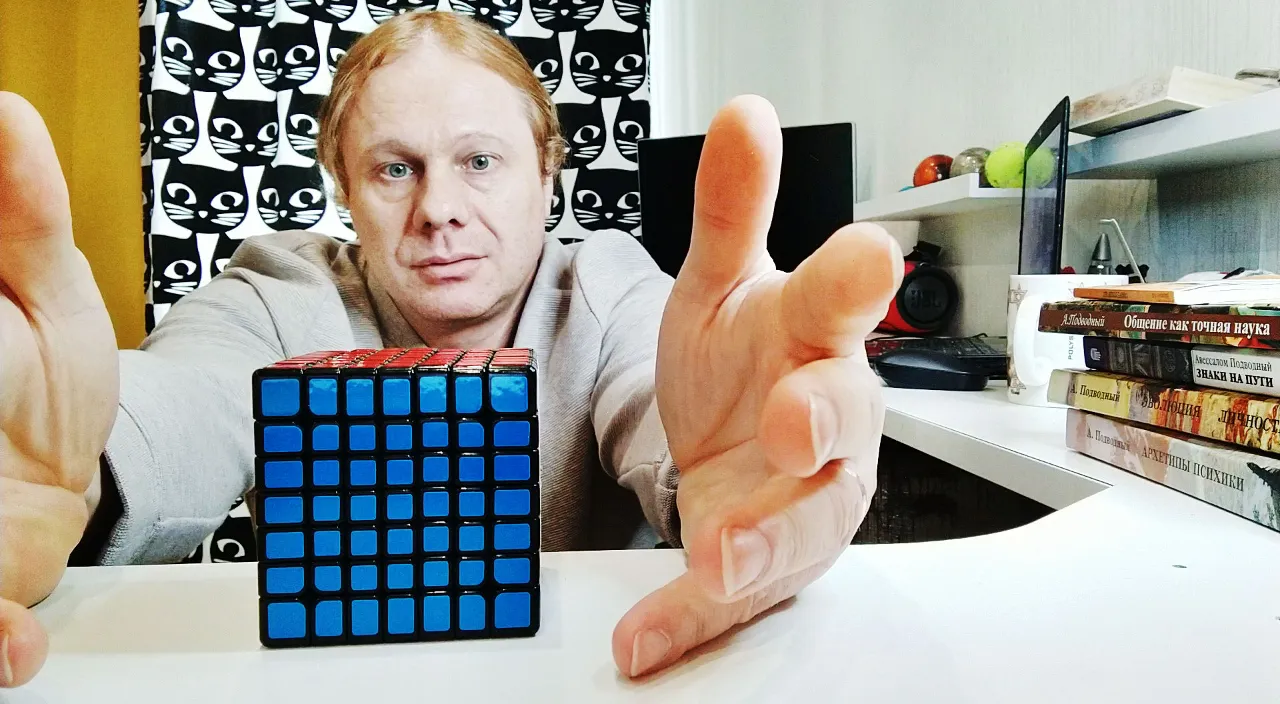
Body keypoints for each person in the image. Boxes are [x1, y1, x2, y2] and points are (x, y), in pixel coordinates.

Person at [0, 11, 899, 686]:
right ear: (346, 188)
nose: (438, 210)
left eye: (479, 161)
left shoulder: (610, 284)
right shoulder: (284, 291)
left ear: (546, 174)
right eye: (395, 168)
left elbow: (660, 395)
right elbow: (190, 393)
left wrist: (745, 464)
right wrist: (86, 467)